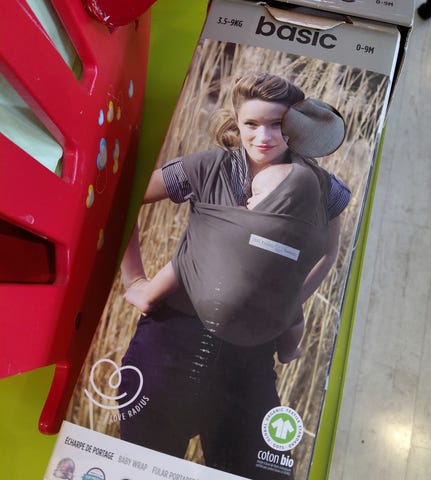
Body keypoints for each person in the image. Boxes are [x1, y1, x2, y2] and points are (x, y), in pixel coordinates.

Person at [119, 72, 351, 479]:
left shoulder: (323, 189)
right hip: (171, 341)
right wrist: (134, 280)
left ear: (298, 125)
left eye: (277, 124)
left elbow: (327, 255)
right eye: (252, 124)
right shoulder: (207, 167)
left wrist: (287, 303)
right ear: (237, 121)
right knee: (141, 468)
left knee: (264, 470)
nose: (264, 136)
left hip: (252, 354)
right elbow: (125, 199)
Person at [123, 162, 304, 363]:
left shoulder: (238, 225)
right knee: (292, 312)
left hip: (210, 303)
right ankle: (289, 351)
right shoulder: (288, 244)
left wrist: (144, 290)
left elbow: (183, 267)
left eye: (257, 194)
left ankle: (147, 295)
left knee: (185, 265)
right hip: (255, 317)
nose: (249, 199)